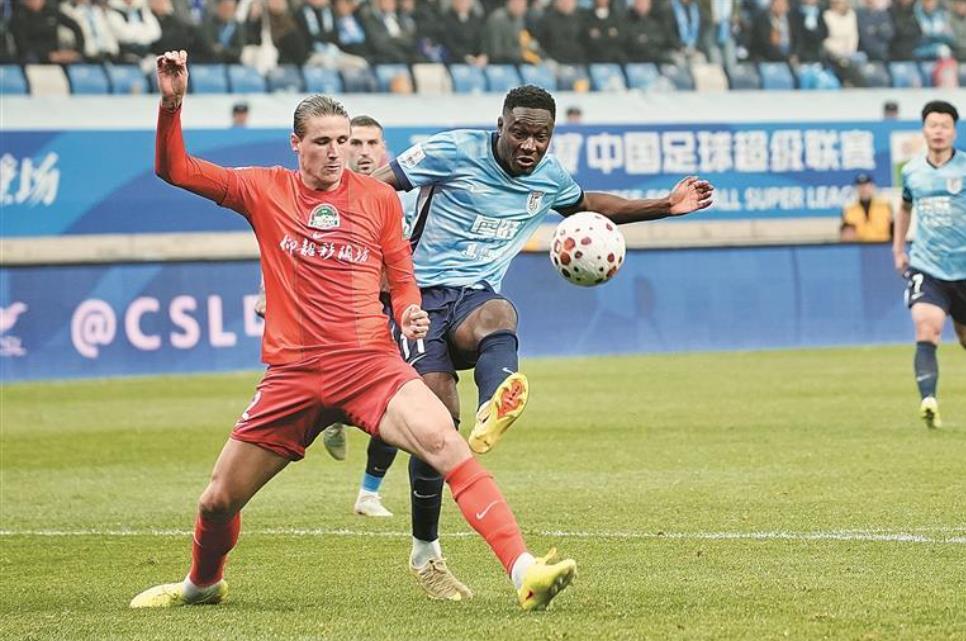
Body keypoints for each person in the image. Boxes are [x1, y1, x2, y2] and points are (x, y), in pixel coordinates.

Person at [130, 50, 577, 613]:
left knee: (446, 443)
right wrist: (171, 105)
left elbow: (403, 276)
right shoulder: (263, 189)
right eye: (322, 141)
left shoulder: (378, 198)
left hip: (370, 367)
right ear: (296, 144)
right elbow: (175, 169)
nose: (335, 152)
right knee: (217, 501)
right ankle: (202, 585)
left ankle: (524, 571)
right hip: (293, 376)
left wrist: (410, 311)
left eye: (342, 141)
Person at [358, 84, 713, 600]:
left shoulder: (547, 176)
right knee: (437, 424)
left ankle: (494, 404)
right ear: (500, 126)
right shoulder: (452, 149)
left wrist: (665, 205)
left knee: (500, 313)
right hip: (416, 300)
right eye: (519, 133)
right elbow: (374, 189)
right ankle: (425, 553)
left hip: (472, 297)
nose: (529, 145)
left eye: (540, 137)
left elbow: (587, 204)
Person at [892, 100, 966, 429]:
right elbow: (905, 208)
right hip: (928, 266)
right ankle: (928, 401)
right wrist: (898, 248)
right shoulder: (912, 171)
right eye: (933, 125)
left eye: (944, 126)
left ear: (954, 132)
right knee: (927, 327)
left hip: (963, 268)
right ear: (924, 130)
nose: (938, 131)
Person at [839, 173, 892, 242]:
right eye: (860, 186)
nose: (864, 189)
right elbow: (846, 235)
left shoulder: (885, 206)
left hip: (883, 246)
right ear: (856, 188)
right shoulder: (848, 210)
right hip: (859, 247)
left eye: (866, 185)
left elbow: (894, 230)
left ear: (873, 187)